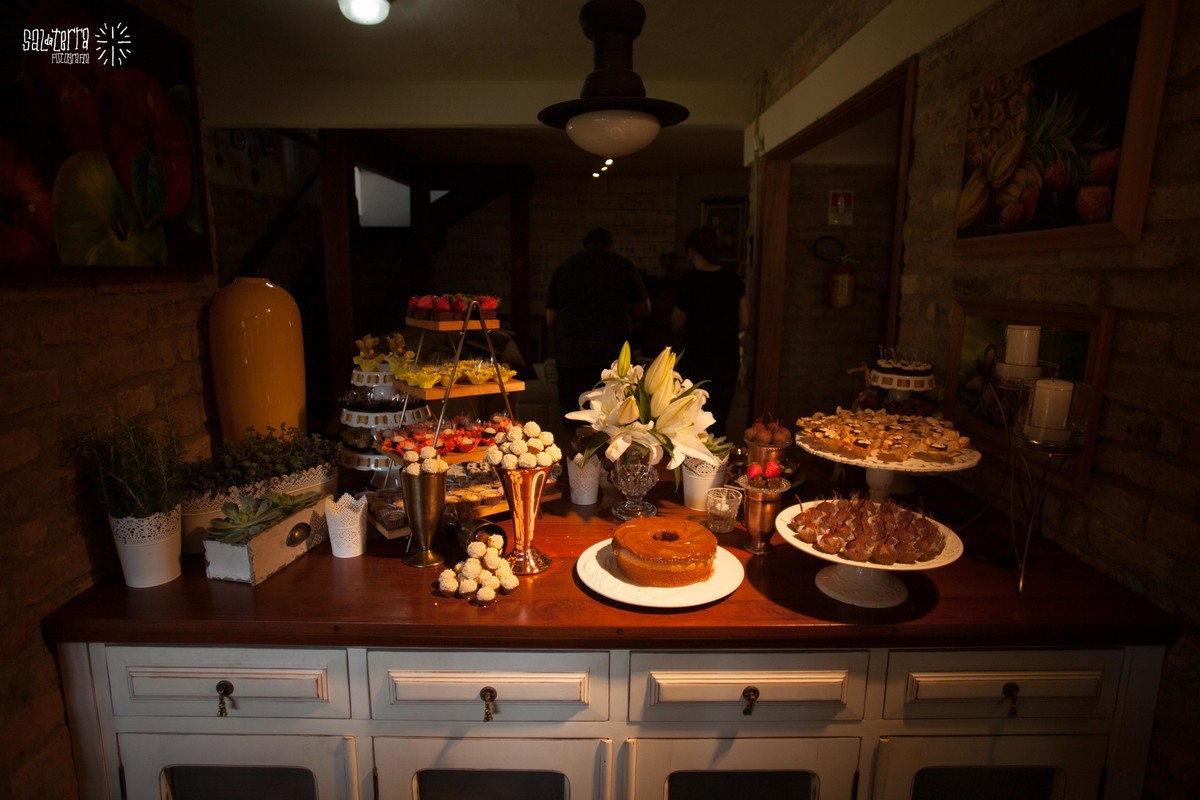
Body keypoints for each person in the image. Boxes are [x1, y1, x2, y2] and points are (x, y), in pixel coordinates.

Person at [545, 227, 651, 420]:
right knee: (616, 416)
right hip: (612, 355)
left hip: (572, 353)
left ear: (584, 245)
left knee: (574, 415)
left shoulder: (565, 268)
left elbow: (550, 318)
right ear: (609, 246)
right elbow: (645, 309)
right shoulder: (623, 265)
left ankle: (574, 448)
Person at [670, 226, 748, 438]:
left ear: (691, 251)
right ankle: (718, 463)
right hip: (726, 355)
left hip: (696, 355)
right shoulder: (732, 278)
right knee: (718, 415)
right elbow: (744, 321)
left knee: (692, 414)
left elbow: (676, 322)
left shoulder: (689, 280)